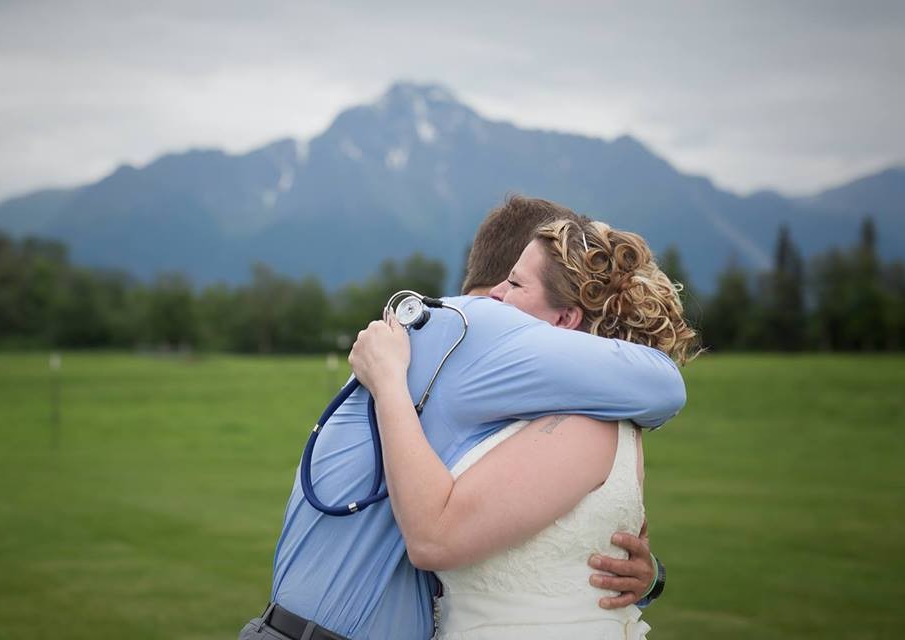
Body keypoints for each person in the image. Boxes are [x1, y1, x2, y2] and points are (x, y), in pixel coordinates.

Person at [243, 197, 686, 640]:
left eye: (517, 283)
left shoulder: (475, 359)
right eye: (509, 280)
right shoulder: (479, 331)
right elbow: (664, 385)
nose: (500, 296)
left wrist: (645, 575)